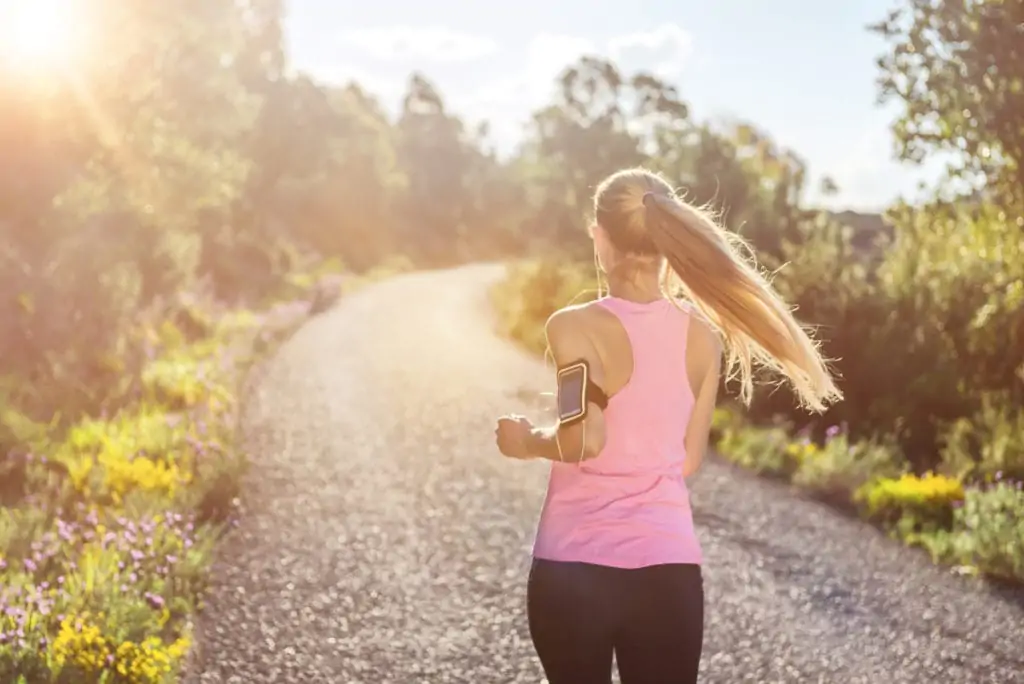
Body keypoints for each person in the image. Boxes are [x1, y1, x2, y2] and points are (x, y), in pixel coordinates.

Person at [494, 167, 842, 684]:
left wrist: (526, 443)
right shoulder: (705, 338)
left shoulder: (571, 326)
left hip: (574, 569)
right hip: (668, 575)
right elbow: (689, 459)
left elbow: (585, 438)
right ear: (666, 240)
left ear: (599, 236)